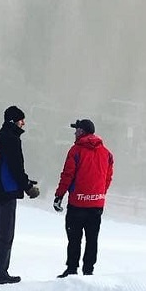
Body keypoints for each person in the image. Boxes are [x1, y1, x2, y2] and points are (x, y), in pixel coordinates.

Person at [53, 118, 113, 277]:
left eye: (76, 130)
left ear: (82, 132)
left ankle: (72, 269)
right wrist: (100, 193)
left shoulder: (75, 151)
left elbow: (67, 175)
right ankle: (89, 270)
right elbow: (108, 177)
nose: (74, 133)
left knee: (74, 238)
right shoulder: (107, 153)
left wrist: (59, 195)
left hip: (77, 204)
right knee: (92, 239)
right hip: (97, 204)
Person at [0, 105, 40, 285]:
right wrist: (27, 187)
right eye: (21, 120)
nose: (23, 123)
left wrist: (24, 181)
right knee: (6, 235)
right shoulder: (11, 139)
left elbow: (4, 167)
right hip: (6, 192)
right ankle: (1, 274)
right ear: (13, 121)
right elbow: (16, 167)